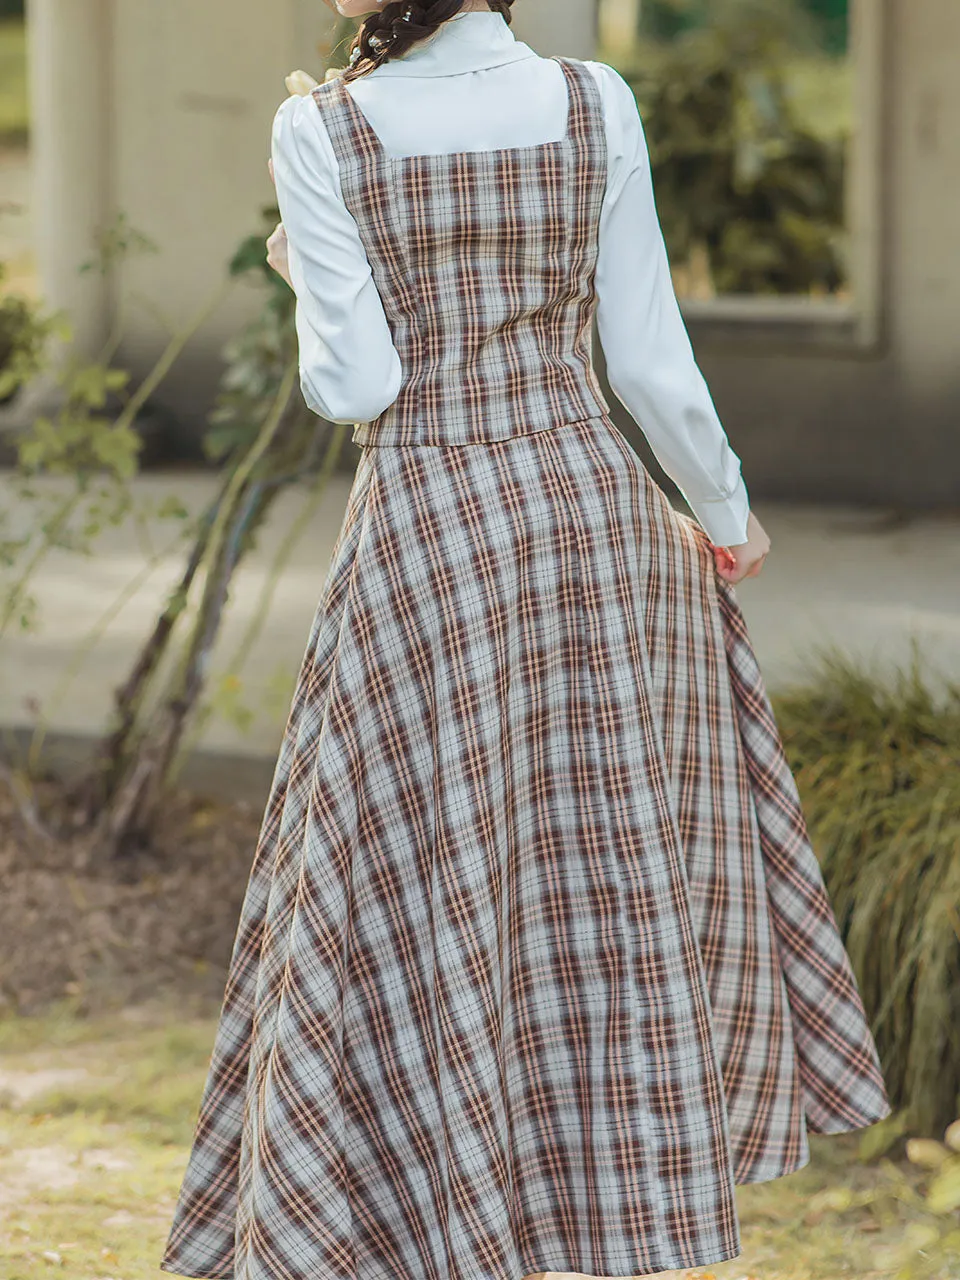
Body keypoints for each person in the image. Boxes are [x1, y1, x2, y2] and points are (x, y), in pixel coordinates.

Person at [161, 4, 891, 1279]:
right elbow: (650, 358)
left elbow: (357, 385)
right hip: (588, 512)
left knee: (415, 862)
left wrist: (307, 265)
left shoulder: (324, 126)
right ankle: (603, 1208)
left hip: (433, 527)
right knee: (596, 868)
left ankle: (430, 1210)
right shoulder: (588, 100)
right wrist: (725, 512)